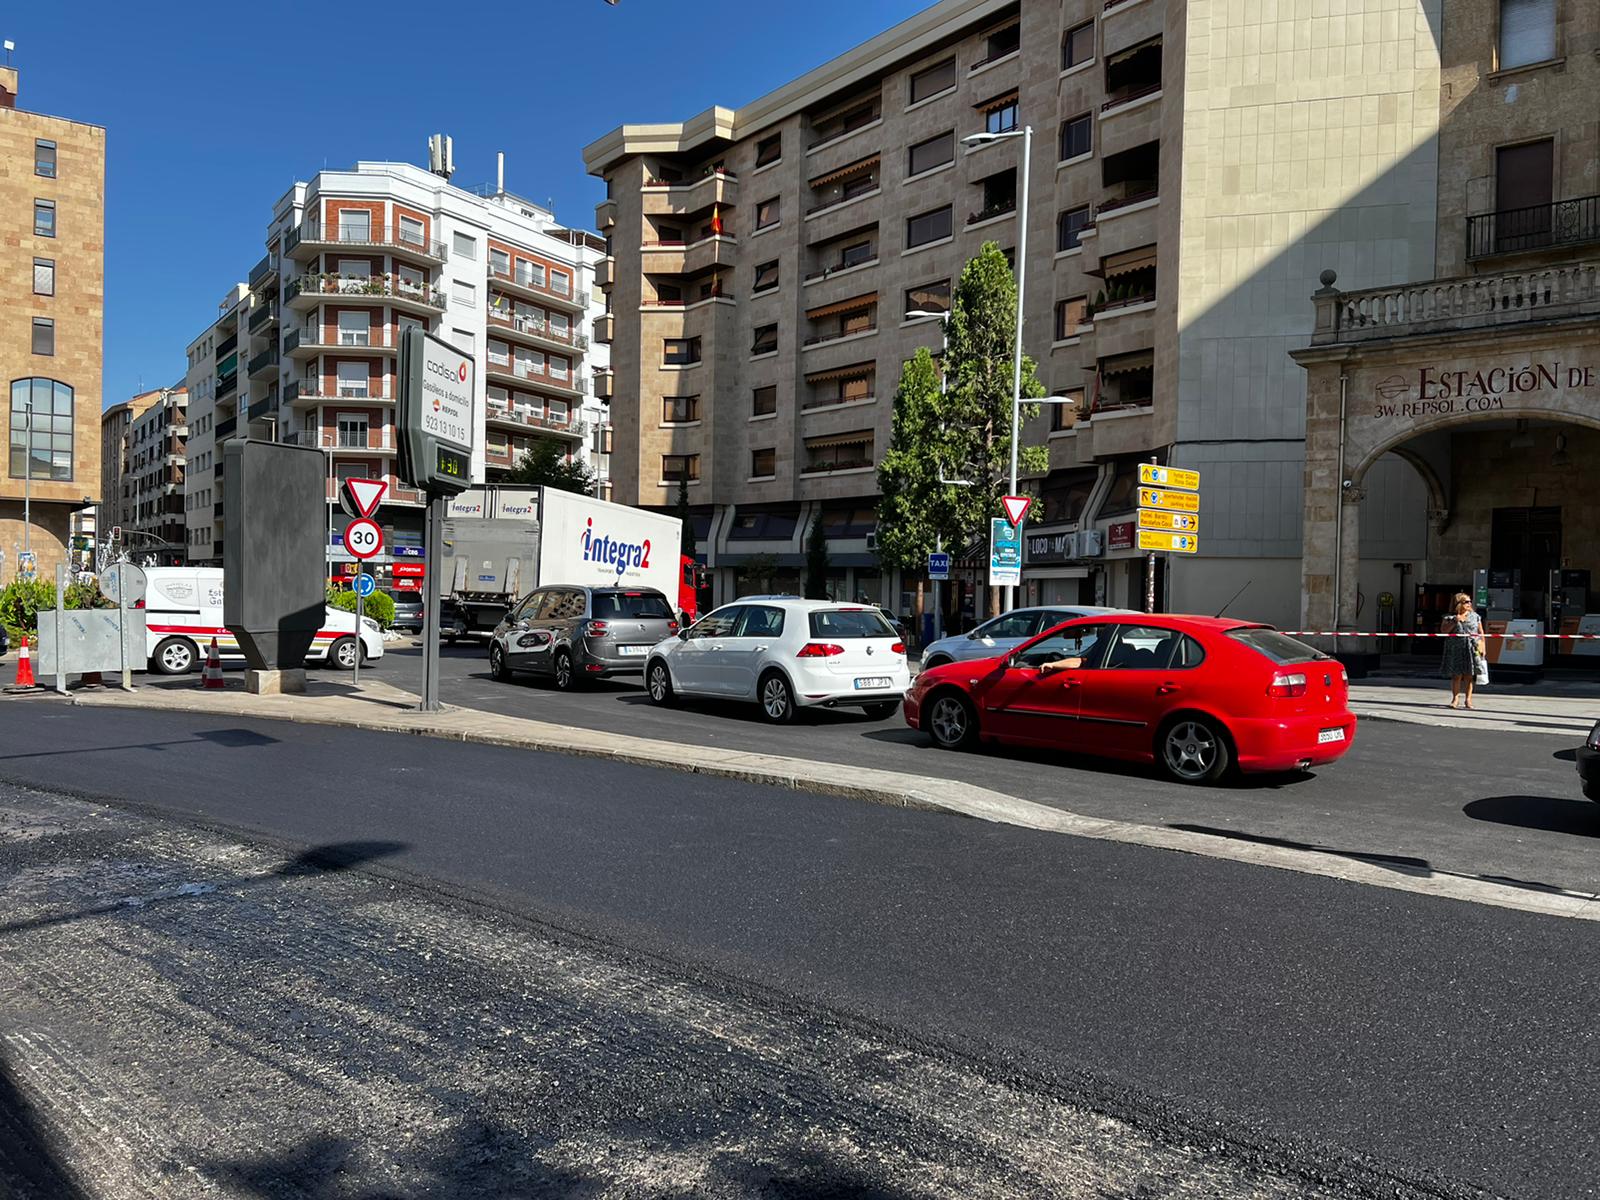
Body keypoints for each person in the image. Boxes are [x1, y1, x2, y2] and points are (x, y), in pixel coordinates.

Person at [1440, 592, 1484, 709]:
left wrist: (1482, 645)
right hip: (1455, 648)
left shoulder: (1475, 616)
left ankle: (1468, 700)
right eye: (1466, 602)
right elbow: (1444, 631)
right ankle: (1455, 699)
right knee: (1456, 675)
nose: (1470, 604)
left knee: (1470, 675)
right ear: (1458, 603)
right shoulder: (1449, 617)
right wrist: (1455, 620)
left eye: (1470, 601)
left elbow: (1480, 632)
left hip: (1471, 647)